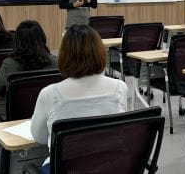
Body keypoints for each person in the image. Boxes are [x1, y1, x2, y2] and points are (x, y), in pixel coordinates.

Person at [30, 24, 127, 173]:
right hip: (109, 167)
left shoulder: (50, 93)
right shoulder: (120, 87)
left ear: (64, 55)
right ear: (100, 52)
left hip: (64, 169)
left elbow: (40, 138)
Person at [0, 20, 58, 98]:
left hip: (17, 110)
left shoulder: (10, 64)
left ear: (17, 40)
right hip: (46, 109)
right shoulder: (54, 62)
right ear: (42, 38)